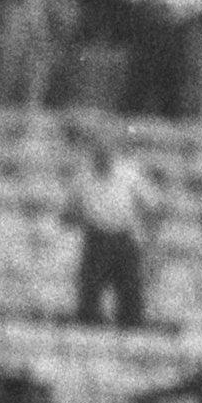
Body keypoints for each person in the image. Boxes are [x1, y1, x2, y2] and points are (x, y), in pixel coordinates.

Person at [63, 131, 153, 331]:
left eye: (106, 150)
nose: (102, 155)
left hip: (123, 238)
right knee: (89, 295)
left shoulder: (130, 175)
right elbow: (68, 213)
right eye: (97, 151)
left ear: (113, 153)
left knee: (130, 295)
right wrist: (84, 219)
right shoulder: (82, 178)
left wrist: (146, 237)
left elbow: (150, 205)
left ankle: (132, 336)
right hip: (96, 238)